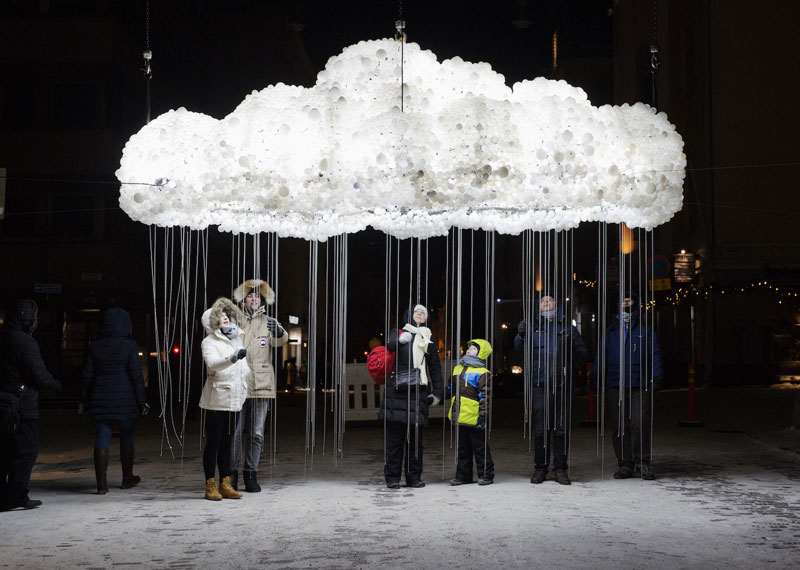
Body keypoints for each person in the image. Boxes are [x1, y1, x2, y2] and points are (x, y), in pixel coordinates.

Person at [515, 294, 589, 485]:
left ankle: (560, 469)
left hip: (562, 385)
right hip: (539, 385)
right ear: (538, 306)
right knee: (540, 430)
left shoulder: (568, 328)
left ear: (556, 305)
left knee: (560, 429)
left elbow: (583, 355)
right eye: (542, 301)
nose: (546, 302)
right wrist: (521, 334)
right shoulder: (532, 327)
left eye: (550, 300)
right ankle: (540, 468)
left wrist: (571, 345)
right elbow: (518, 348)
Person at [592, 293, 663, 480]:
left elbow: (654, 353)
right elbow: (602, 356)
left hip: (639, 384)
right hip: (616, 384)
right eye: (622, 300)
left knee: (640, 422)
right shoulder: (611, 332)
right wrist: (596, 377)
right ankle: (625, 463)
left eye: (629, 300)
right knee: (620, 425)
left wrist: (656, 375)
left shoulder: (645, 331)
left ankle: (642, 463)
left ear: (635, 304)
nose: (625, 302)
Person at [79, 307, 149, 494]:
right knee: (126, 435)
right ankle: (127, 478)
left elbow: (87, 376)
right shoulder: (129, 346)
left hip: (101, 396)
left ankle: (102, 485)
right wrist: (142, 401)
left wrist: (83, 398)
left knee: (102, 435)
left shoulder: (95, 346)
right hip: (124, 397)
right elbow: (136, 376)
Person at [0, 300, 61, 511]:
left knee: (5, 450)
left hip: (4, 403)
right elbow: (38, 373)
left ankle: (3, 495)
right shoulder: (25, 342)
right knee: (27, 450)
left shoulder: (4, 337)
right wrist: (56, 385)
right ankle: (16, 496)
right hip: (22, 406)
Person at [229, 279, 287, 492]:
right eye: (250, 295)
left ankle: (251, 474)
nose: (254, 299)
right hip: (238, 383)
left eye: (258, 296)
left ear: (263, 300)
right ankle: (231, 474)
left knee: (256, 433)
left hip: (261, 384)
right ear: (244, 298)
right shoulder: (234, 320)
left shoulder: (269, 321)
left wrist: (280, 332)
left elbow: (280, 341)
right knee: (234, 434)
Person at [379, 304, 444, 489]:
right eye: (416, 311)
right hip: (397, 393)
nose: (420, 314)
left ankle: (414, 477)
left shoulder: (428, 340)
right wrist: (401, 340)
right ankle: (392, 477)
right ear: (408, 315)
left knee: (416, 440)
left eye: (423, 312)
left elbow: (435, 369)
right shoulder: (398, 332)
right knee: (395, 439)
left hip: (419, 393)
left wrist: (438, 393)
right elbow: (389, 347)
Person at [199, 297, 248, 501]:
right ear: (214, 321)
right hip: (216, 400)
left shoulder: (237, 339)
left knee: (228, 443)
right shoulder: (209, 342)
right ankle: (210, 484)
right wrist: (232, 358)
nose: (226, 318)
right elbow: (213, 364)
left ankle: (225, 482)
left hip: (235, 401)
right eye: (221, 316)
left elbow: (242, 369)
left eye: (227, 315)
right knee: (214, 442)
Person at [448, 339, 495, 486]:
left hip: (474, 417)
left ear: (481, 353)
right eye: (469, 348)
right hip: (460, 415)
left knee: (480, 447)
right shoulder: (457, 369)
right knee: (463, 448)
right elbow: (451, 387)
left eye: (474, 349)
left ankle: (486, 474)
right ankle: (463, 475)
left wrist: (483, 416)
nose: (469, 350)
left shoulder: (483, 373)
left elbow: (485, 397)